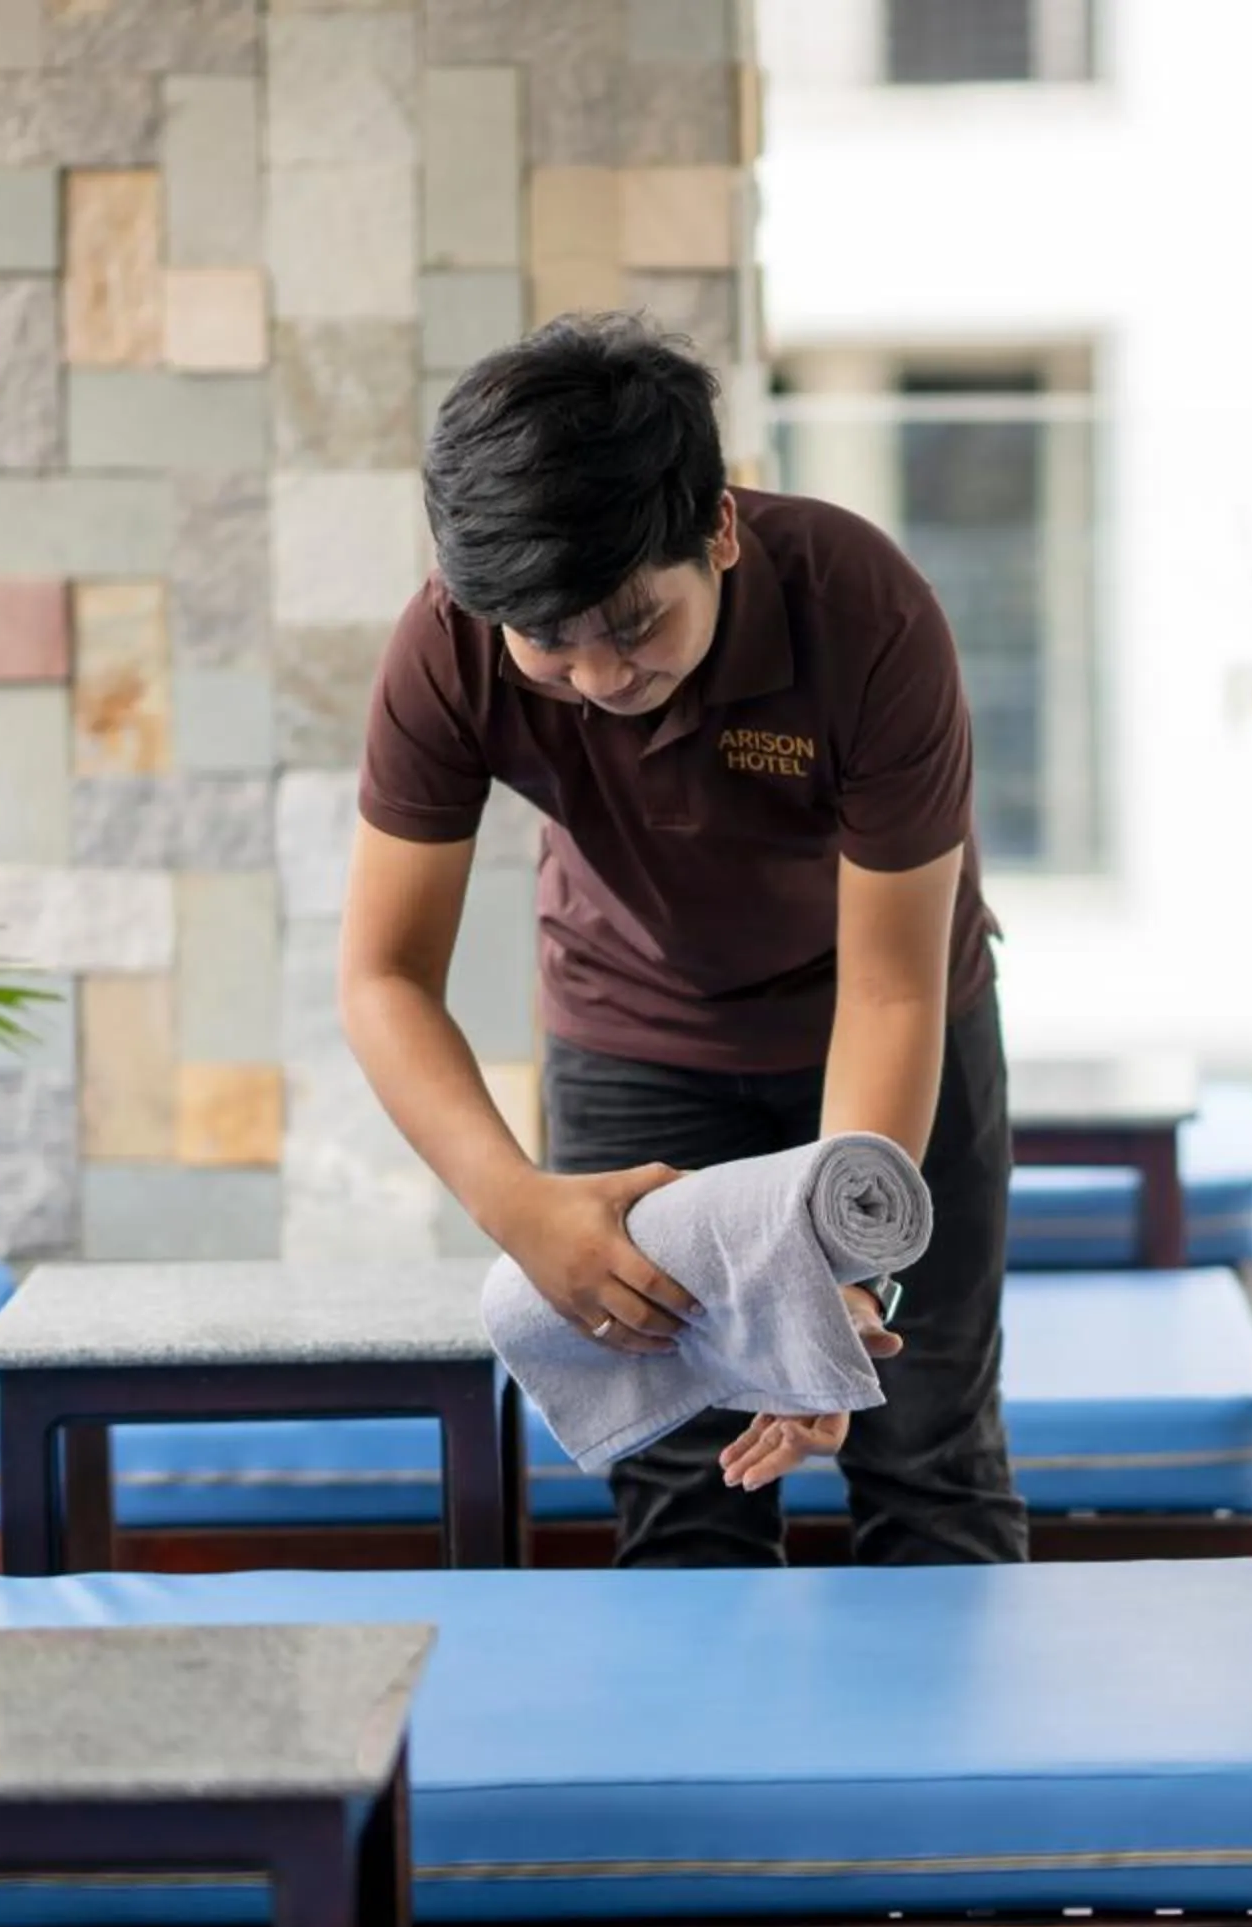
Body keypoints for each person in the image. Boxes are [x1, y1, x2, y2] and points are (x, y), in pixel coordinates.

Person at [335, 314, 1026, 1568]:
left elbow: (888, 992)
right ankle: (703, 1767)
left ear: (719, 526)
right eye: (551, 642)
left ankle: (960, 1763)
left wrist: (842, 1271)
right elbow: (384, 974)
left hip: (883, 1030)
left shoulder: (866, 612)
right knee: (681, 1480)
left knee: (924, 1450)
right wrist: (523, 1209)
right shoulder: (449, 644)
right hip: (636, 1038)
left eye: (635, 624)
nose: (598, 674)